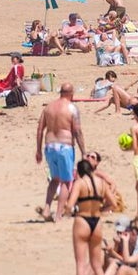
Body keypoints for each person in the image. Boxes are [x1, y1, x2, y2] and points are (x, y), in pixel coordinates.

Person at [35, 82, 86, 223]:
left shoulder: (48, 108)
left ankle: (46, 208)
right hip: (65, 147)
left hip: (50, 146)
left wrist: (38, 150)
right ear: (71, 94)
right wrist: (84, 151)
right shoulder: (72, 108)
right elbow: (77, 131)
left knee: (54, 179)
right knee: (66, 181)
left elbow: (40, 130)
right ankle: (58, 214)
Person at [65, 158, 110, 275]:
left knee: (81, 263)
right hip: (97, 221)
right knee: (96, 265)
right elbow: (113, 203)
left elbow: (70, 205)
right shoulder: (102, 183)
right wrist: (102, 209)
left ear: (79, 172)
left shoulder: (79, 183)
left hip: (83, 220)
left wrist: (68, 211)